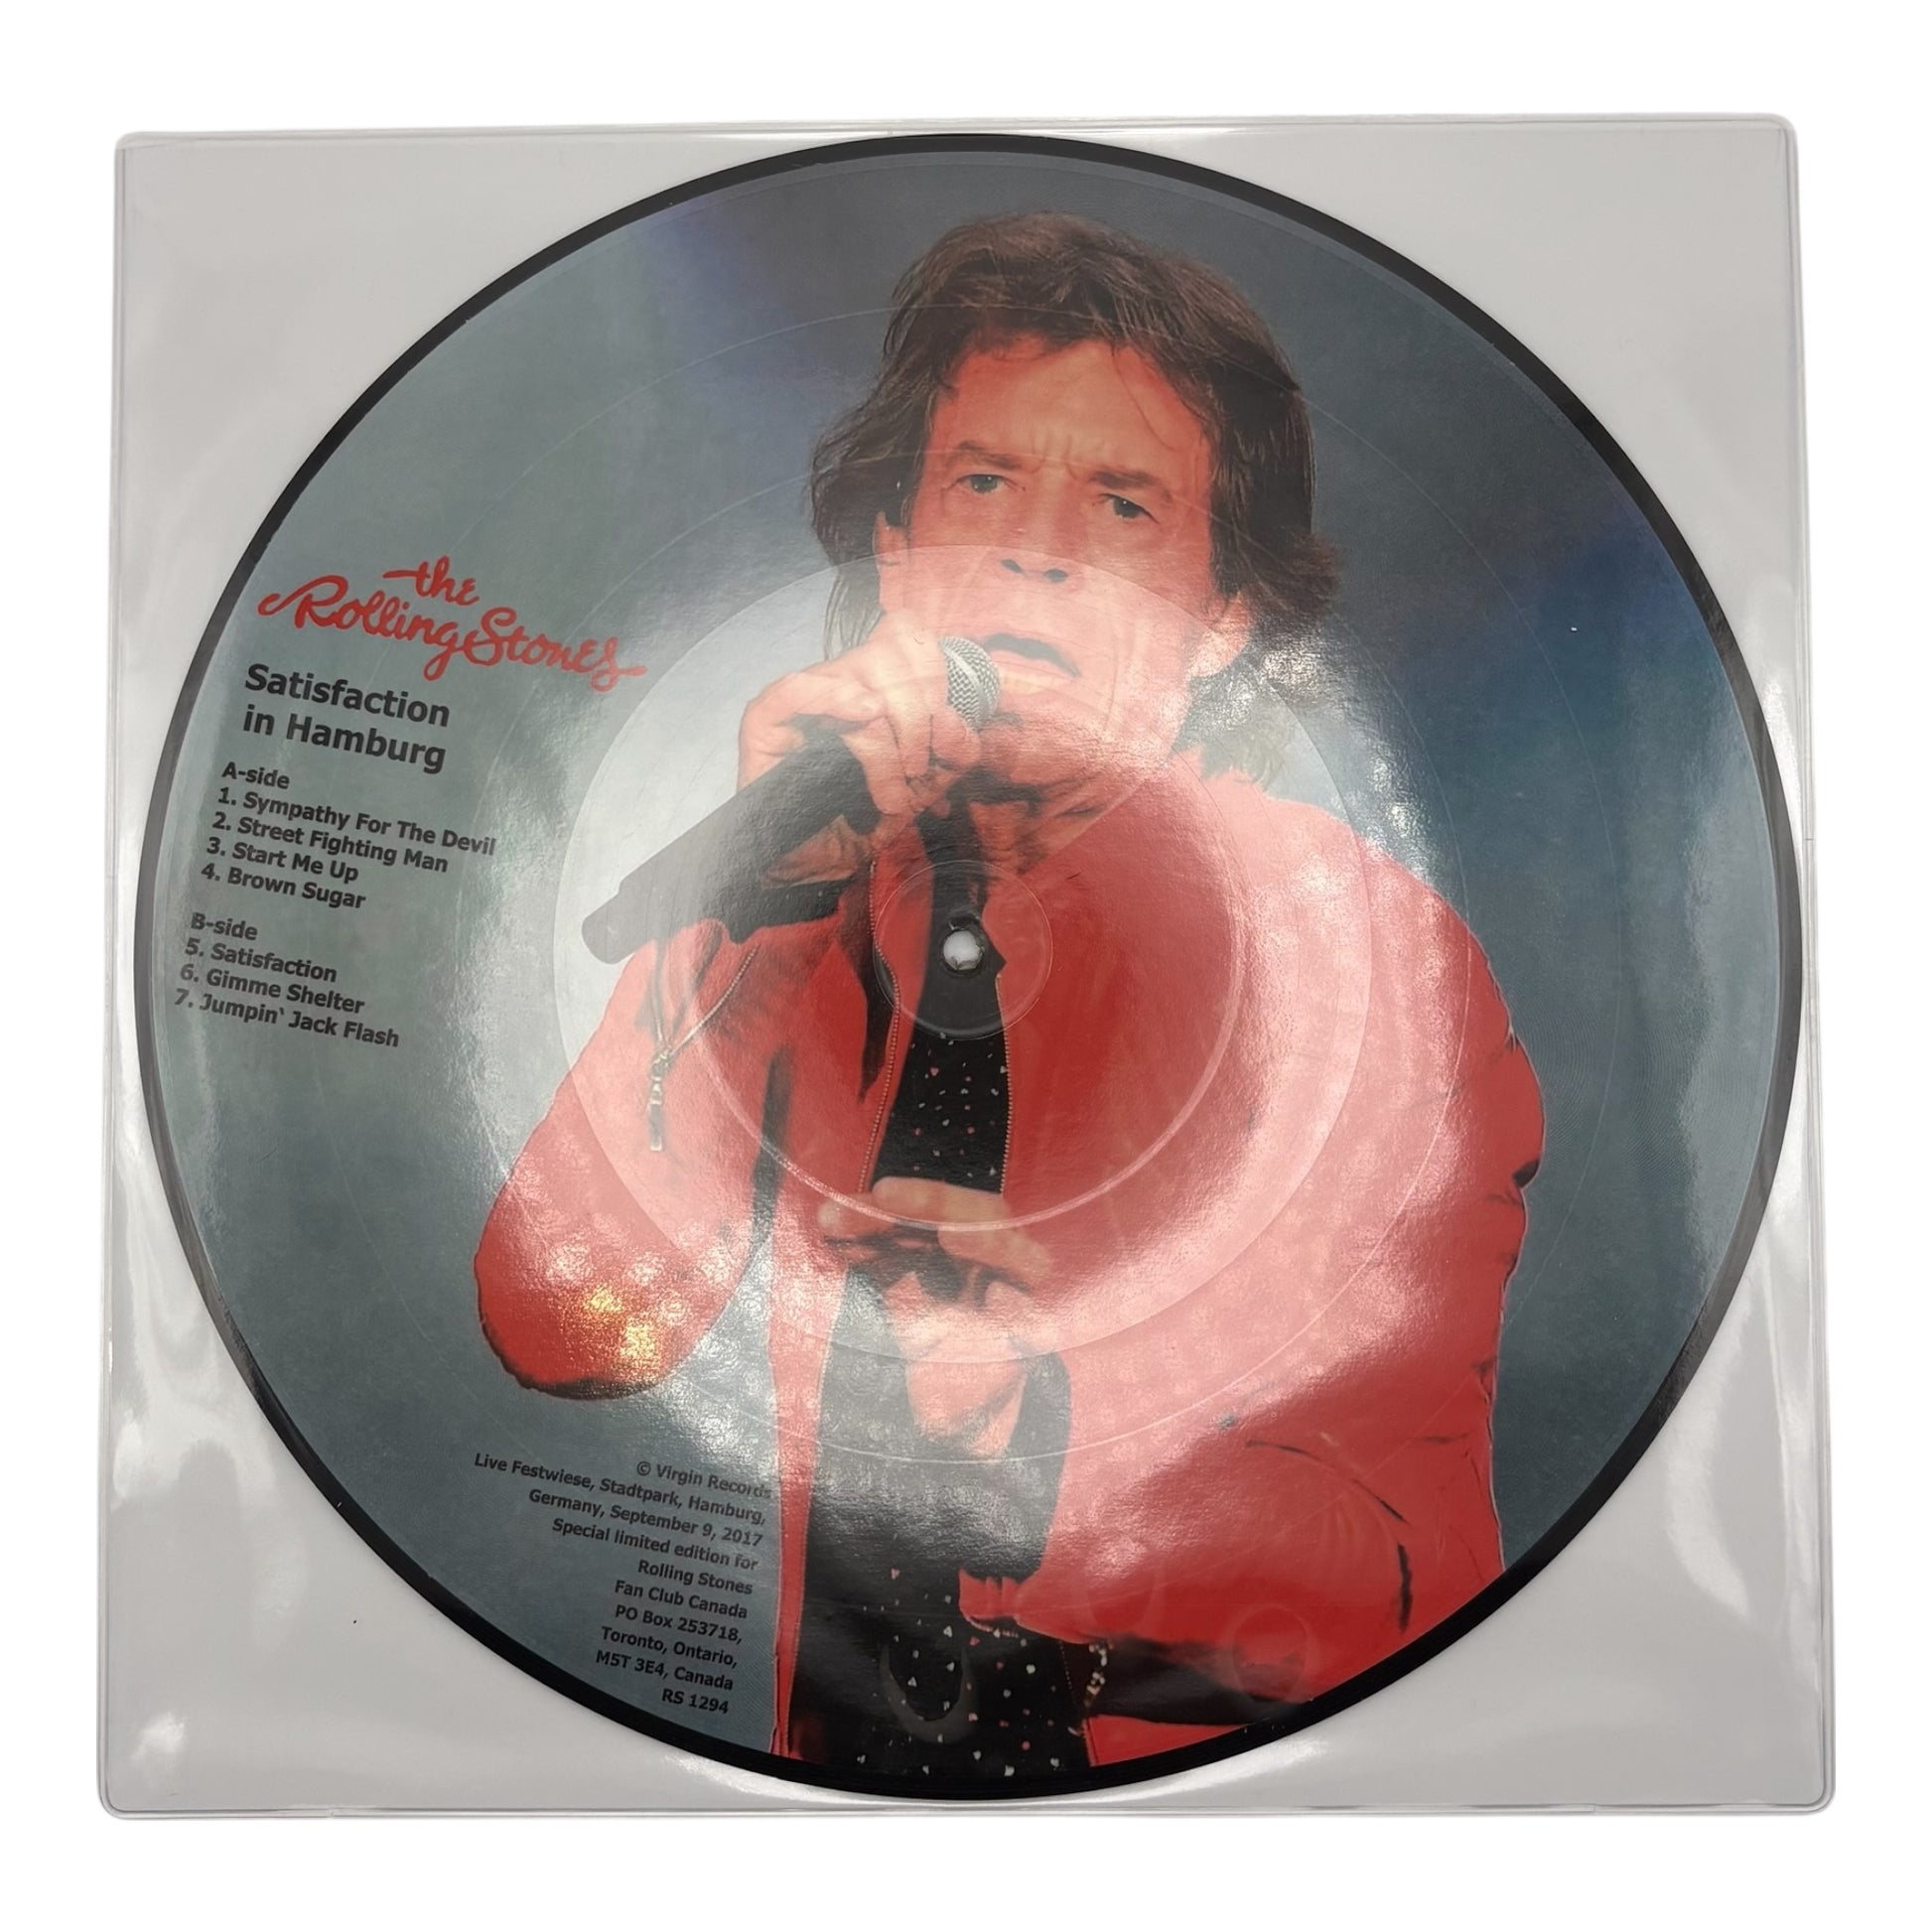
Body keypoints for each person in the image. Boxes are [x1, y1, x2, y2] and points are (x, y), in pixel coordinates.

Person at [475, 212, 1544, 1785]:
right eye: (981, 483)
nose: (1035, 548)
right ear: (895, 553)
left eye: (1122, 503)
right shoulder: (802, 873)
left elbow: (1408, 1578)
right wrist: (757, 914)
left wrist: (1045, 1439)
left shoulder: (1368, 963)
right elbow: (567, 1326)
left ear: (1222, 620)